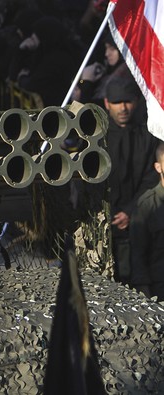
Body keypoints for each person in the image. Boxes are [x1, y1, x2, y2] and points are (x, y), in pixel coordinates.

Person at [103, 76, 160, 285]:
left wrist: (130, 210)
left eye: (127, 101)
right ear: (107, 103)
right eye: (117, 102)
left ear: (136, 102)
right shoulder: (97, 136)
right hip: (104, 221)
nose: (123, 108)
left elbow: (152, 176)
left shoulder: (148, 134)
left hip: (140, 220)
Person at [130, 141, 164, 301]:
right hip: (160, 289)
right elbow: (138, 253)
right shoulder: (148, 204)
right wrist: (145, 296)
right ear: (158, 167)